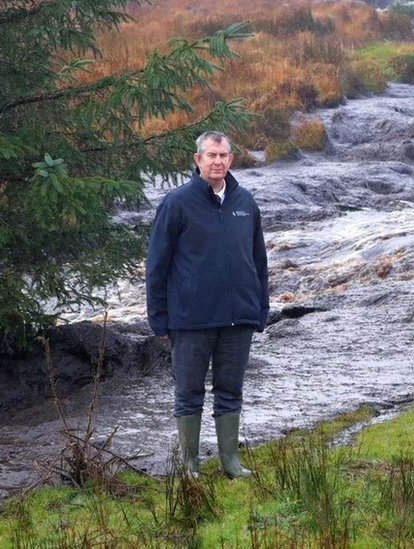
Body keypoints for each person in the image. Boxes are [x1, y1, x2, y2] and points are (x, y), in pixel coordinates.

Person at [146, 130, 269, 478]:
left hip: (238, 318)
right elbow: (157, 264)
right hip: (190, 319)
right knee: (188, 394)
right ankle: (190, 466)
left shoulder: (245, 203)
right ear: (198, 160)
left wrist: (260, 309)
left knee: (230, 391)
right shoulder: (177, 203)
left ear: (231, 159)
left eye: (224, 155)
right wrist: (160, 319)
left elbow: (259, 260)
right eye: (211, 155)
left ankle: (231, 461)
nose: (218, 161)